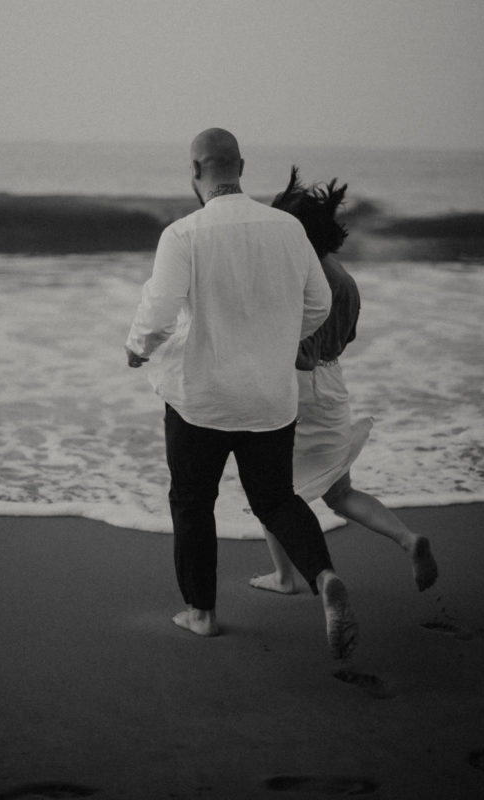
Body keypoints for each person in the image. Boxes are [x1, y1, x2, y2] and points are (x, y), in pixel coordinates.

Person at [125, 129, 358, 660]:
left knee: (192, 501)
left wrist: (136, 348)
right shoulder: (289, 231)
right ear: (241, 167)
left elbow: (159, 311)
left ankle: (201, 614)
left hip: (200, 400)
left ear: (194, 171)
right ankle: (323, 578)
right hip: (270, 399)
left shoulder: (183, 235)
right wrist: (276, 342)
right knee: (275, 499)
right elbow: (318, 304)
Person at [249, 168, 438, 595]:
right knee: (340, 492)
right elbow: (346, 337)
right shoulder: (343, 279)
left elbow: (296, 350)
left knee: (273, 494)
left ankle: (284, 576)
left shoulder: (299, 277)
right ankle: (408, 539)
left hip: (297, 388)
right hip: (333, 384)